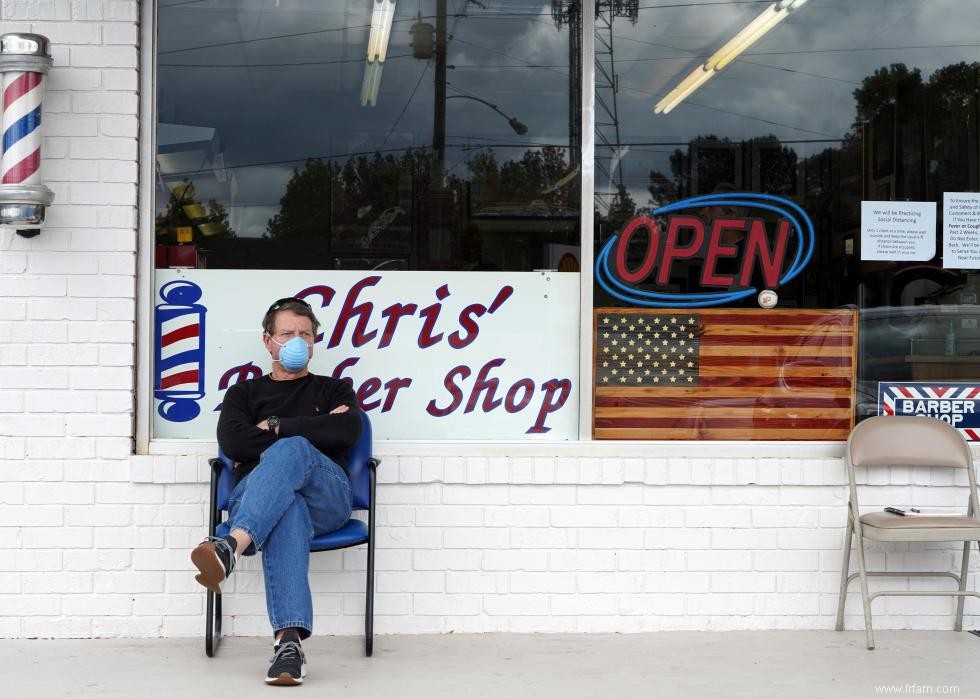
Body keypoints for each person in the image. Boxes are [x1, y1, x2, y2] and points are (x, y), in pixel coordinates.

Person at [190, 297, 362, 686]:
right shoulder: (243, 394)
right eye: (287, 334)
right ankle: (288, 645)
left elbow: (348, 431)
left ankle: (230, 545)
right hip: (261, 499)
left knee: (294, 448)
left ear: (315, 340)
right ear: (268, 341)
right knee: (289, 505)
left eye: (305, 334)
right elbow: (234, 442)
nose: (297, 340)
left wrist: (276, 427)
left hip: (327, 497)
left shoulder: (335, 389)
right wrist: (312, 429)